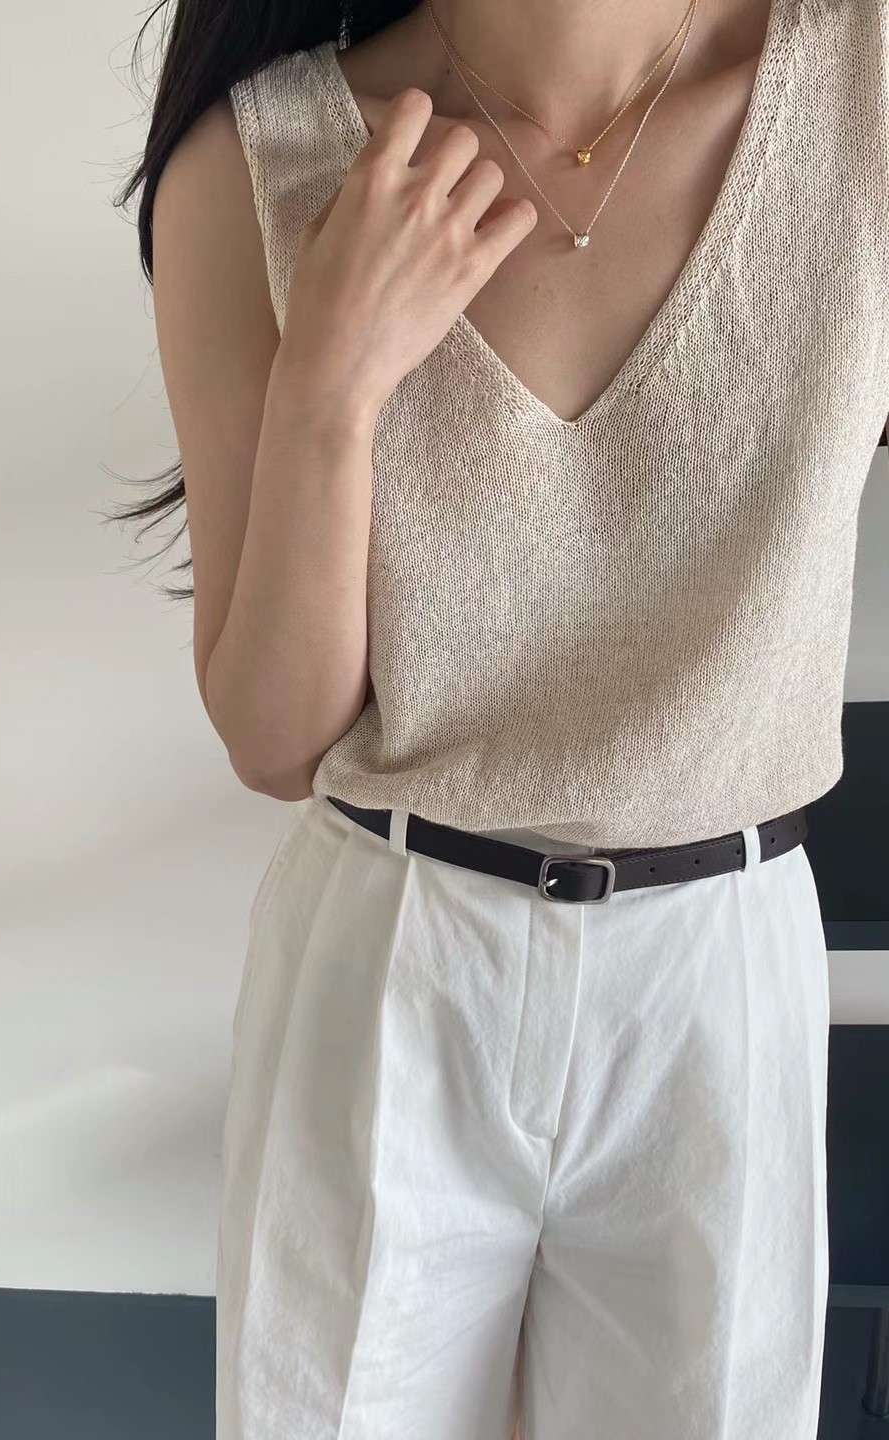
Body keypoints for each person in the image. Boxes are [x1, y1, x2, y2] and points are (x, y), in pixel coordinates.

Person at [115, 0, 889, 1434]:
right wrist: (332, 385)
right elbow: (275, 738)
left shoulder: (864, 91)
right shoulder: (258, 162)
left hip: (717, 973)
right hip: (395, 956)